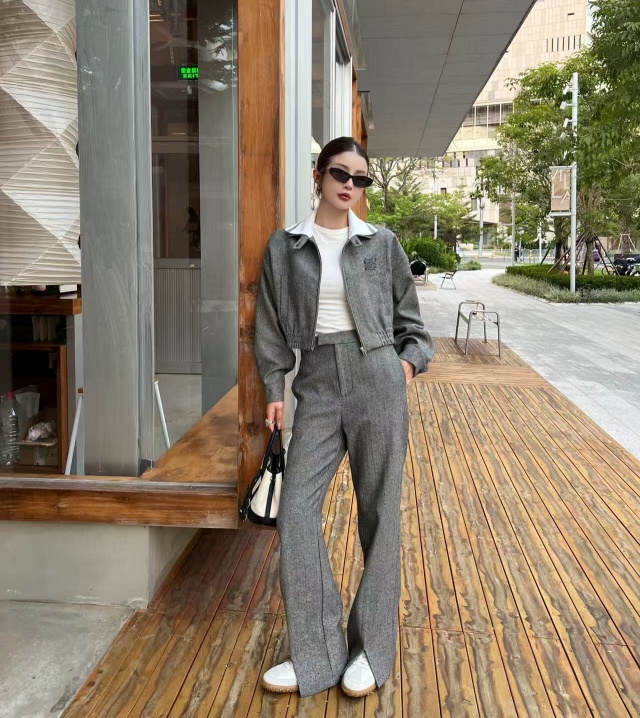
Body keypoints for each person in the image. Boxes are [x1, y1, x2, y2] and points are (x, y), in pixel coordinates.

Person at [254, 137, 434, 699]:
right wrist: (273, 386)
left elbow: (413, 326)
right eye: (340, 173)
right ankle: (317, 653)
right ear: (318, 174)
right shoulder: (286, 246)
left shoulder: (381, 244)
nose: (350, 185)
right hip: (316, 383)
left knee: (379, 513)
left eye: (361, 178)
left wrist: (404, 366)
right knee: (296, 513)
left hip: (377, 375)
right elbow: (268, 324)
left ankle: (370, 652)